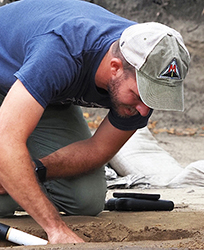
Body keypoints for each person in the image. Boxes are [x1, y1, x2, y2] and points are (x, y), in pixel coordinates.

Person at [0, 0, 190, 244]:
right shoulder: (62, 49)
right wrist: (54, 227)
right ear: (115, 67)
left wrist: (35, 170)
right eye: (141, 94)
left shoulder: (147, 63)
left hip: (40, 96)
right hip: (11, 77)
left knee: (85, 199)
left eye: (155, 96)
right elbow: (7, 140)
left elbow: (99, 150)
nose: (144, 109)